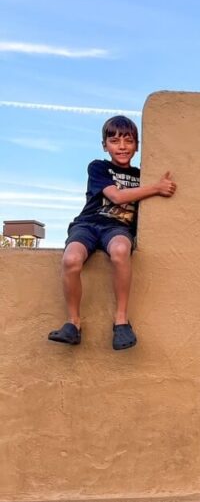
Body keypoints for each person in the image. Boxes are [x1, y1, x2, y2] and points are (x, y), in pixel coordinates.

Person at [48, 115, 176, 350]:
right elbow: (116, 196)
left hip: (117, 228)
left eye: (128, 141)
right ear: (105, 145)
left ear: (137, 146)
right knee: (71, 259)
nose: (122, 146)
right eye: (115, 141)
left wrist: (155, 184)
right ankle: (73, 323)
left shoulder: (141, 176)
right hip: (88, 224)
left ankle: (121, 321)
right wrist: (156, 188)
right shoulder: (99, 167)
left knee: (120, 250)